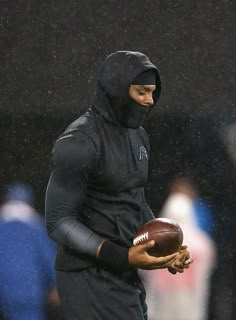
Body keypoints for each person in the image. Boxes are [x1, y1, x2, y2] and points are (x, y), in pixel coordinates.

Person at [45, 51, 192, 320]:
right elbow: (59, 221)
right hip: (87, 274)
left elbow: (134, 201)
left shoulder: (138, 136)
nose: (149, 101)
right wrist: (121, 256)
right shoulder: (78, 141)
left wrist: (165, 251)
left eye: (152, 93)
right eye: (142, 92)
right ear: (117, 90)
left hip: (123, 272)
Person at [143, 191, 216, 320]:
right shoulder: (203, 242)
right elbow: (207, 271)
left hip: (162, 299)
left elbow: (144, 269)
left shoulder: (154, 242)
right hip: (190, 299)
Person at [0, 183, 60, 320]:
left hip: (5, 293)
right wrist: (55, 284)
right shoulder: (36, 227)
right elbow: (49, 259)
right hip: (32, 293)